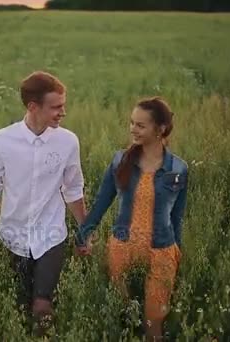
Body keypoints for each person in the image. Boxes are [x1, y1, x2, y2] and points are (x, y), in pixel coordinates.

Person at [0, 71, 86, 336]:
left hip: (51, 236)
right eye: (56, 107)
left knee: (41, 304)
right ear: (33, 107)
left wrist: (86, 230)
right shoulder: (1, 141)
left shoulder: (68, 141)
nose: (63, 112)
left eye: (63, 105)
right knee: (18, 305)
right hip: (13, 237)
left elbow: (73, 190)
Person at [75, 97, 188, 341]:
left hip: (162, 251)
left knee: (153, 321)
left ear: (161, 130)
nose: (132, 129)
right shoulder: (120, 161)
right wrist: (83, 235)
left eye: (140, 125)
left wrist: (177, 250)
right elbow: (102, 202)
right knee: (122, 316)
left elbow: (177, 215)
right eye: (131, 123)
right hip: (123, 247)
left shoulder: (178, 169)